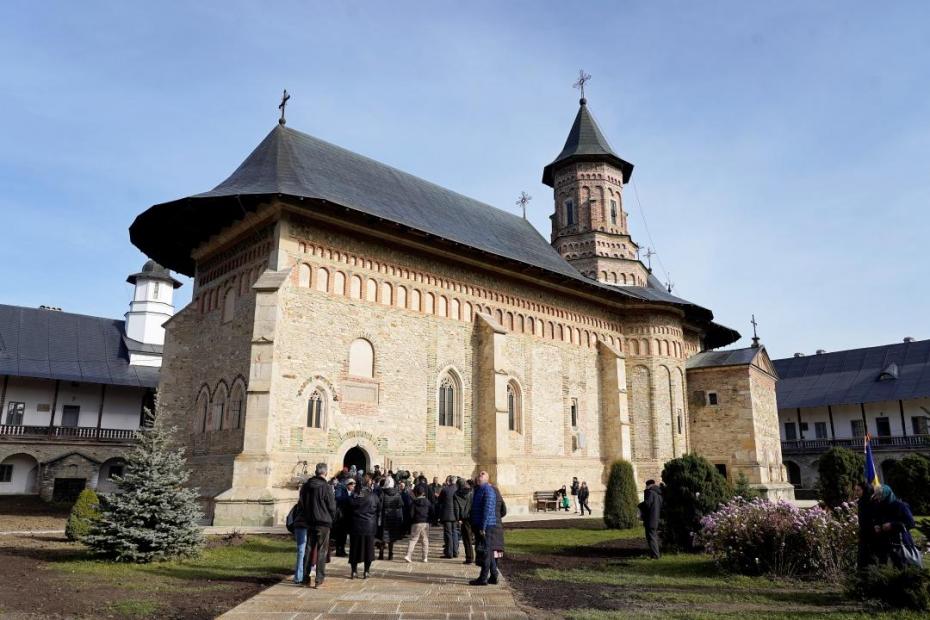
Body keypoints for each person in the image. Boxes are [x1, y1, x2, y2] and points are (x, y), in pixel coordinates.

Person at [298, 462, 337, 588]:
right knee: (322, 550)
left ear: (316, 472)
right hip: (323, 522)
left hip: (310, 521)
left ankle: (305, 578)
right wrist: (331, 518)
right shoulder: (326, 487)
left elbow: (301, 503)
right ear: (325, 472)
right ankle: (319, 579)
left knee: (309, 549)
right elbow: (332, 507)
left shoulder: (306, 486)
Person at [870, 483, 917, 568]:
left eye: (880, 495)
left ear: (886, 494)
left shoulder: (900, 506)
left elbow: (911, 523)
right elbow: (876, 518)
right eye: (877, 495)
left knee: (900, 567)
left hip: (899, 543)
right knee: (883, 568)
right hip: (884, 543)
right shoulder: (879, 505)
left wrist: (892, 525)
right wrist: (876, 525)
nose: (878, 498)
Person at [470, 471, 503, 586]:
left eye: (482, 474)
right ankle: (494, 575)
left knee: (485, 552)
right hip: (479, 524)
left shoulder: (488, 490)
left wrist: (483, 527)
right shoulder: (479, 489)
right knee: (488, 551)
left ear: (487, 479)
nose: (479, 475)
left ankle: (483, 578)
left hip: (486, 526)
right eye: (479, 474)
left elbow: (487, 510)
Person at [348, 477, 381, 578]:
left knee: (354, 549)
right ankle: (366, 571)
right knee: (368, 549)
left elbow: (347, 511)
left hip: (355, 526)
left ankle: (354, 571)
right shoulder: (373, 496)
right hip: (369, 526)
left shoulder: (353, 496)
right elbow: (378, 509)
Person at [378, 476, 405, 561]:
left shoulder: (383, 493)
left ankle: (381, 554)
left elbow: (380, 506)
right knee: (391, 537)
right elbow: (400, 506)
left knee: (383, 537)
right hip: (394, 517)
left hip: (384, 518)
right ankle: (390, 554)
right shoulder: (397, 494)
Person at [405, 485, 432, 562]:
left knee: (413, 539)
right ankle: (425, 557)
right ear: (423, 493)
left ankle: (408, 555)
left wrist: (410, 521)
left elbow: (411, 514)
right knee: (425, 540)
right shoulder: (427, 502)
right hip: (425, 522)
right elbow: (432, 512)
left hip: (416, 522)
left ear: (416, 493)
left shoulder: (414, 502)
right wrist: (430, 520)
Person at [640, 479, 662, 559]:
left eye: (646, 486)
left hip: (650, 519)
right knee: (653, 537)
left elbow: (647, 504)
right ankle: (654, 554)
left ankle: (655, 555)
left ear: (649, 485)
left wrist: (639, 505)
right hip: (655, 519)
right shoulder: (658, 494)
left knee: (651, 538)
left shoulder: (650, 492)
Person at [455, 478, 475, 564]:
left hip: (464, 518)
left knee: (467, 539)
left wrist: (458, 518)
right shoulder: (472, 492)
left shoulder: (456, 494)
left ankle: (469, 558)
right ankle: (478, 557)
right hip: (473, 516)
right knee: (475, 538)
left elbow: (457, 508)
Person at [439, 475, 459, 558]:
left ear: (449, 481)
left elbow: (440, 501)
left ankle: (449, 553)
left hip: (447, 514)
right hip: (456, 514)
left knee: (448, 534)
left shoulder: (445, 489)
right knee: (455, 532)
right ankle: (455, 552)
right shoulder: (458, 489)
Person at [332, 478, 353, 557]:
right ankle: (338, 550)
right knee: (340, 534)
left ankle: (342, 549)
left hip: (345, 515)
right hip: (340, 516)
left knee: (344, 534)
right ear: (348, 485)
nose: (353, 487)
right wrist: (349, 498)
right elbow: (337, 498)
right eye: (352, 485)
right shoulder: (340, 489)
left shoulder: (349, 491)